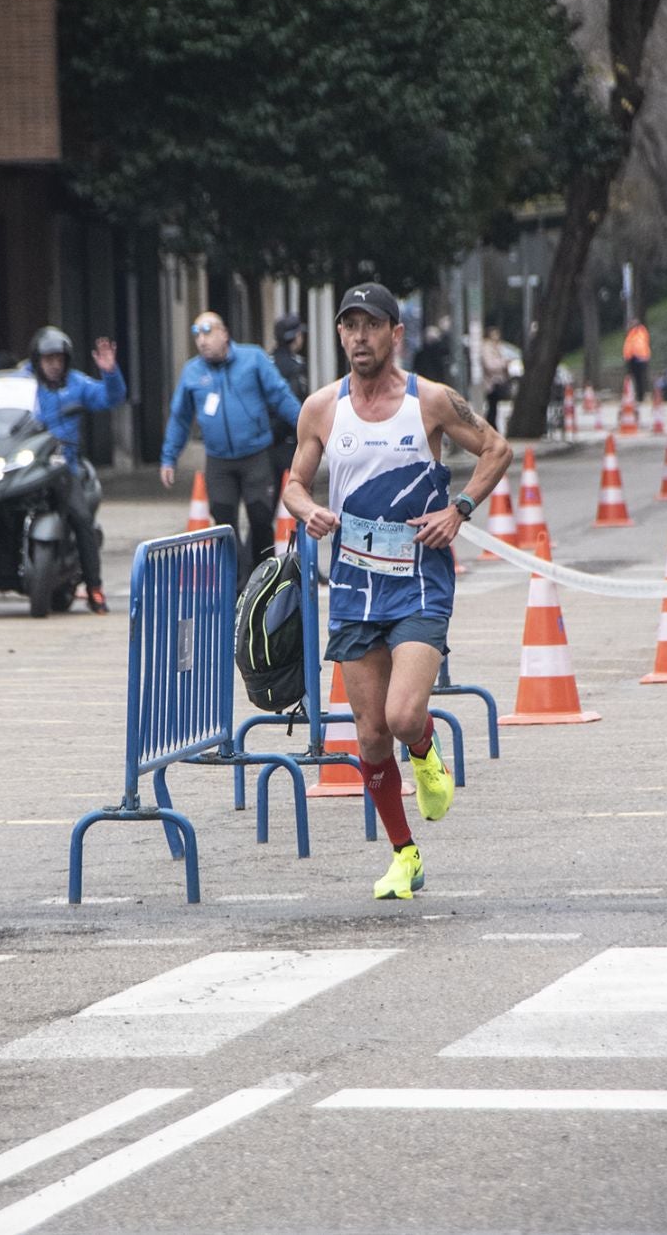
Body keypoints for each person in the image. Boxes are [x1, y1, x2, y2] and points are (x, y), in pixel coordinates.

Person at [283, 283, 511, 901]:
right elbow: (295, 482)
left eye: (371, 325)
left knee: (404, 714)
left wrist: (459, 507)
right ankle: (405, 854)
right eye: (349, 326)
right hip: (354, 586)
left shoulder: (430, 401)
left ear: (395, 333)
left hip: (417, 581)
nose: (359, 337)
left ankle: (427, 747)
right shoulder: (321, 409)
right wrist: (307, 510)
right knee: (368, 734)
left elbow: (496, 447)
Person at [0, 327, 124, 613]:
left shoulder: (77, 384)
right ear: (36, 359)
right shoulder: (20, 383)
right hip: (21, 462)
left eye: (59, 358)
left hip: (61, 465)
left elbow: (112, 398)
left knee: (81, 518)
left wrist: (110, 373)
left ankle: (94, 588)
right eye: (48, 359)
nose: (54, 364)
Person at [160, 311, 302, 576]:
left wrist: (307, 428)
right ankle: (236, 583)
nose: (202, 340)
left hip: (255, 454)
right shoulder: (192, 372)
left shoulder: (253, 358)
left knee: (261, 518)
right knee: (223, 522)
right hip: (219, 460)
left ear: (224, 333)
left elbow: (281, 397)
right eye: (197, 334)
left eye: (208, 332)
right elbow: (180, 418)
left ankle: (263, 578)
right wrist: (169, 457)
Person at [269, 313, 310, 479]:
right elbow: (297, 401)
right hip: (289, 442)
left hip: (267, 442)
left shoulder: (266, 362)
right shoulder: (296, 367)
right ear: (295, 337)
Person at [480, 325, 511, 430]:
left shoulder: (497, 347)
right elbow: (489, 365)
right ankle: (491, 427)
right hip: (491, 382)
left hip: (497, 381)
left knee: (494, 407)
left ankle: (492, 426)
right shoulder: (487, 348)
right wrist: (503, 363)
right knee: (492, 407)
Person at [622, 315, 651, 401]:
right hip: (633, 357)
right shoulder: (632, 333)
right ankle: (635, 394)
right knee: (634, 377)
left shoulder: (639, 331)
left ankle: (640, 395)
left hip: (639, 357)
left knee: (639, 377)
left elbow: (637, 344)